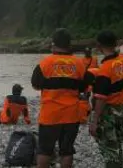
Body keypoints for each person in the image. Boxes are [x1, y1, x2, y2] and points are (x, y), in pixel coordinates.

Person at [31, 28, 89, 168]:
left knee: (45, 150)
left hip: (50, 115)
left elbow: (36, 85)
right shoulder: (79, 64)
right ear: (70, 45)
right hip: (71, 115)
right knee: (67, 150)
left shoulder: (45, 63)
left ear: (53, 44)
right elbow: (83, 87)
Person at [90, 30, 123, 168]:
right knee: (118, 143)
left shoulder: (105, 70)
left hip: (109, 112)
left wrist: (94, 121)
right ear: (115, 44)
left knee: (109, 148)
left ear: (98, 46)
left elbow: (101, 99)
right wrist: (121, 47)